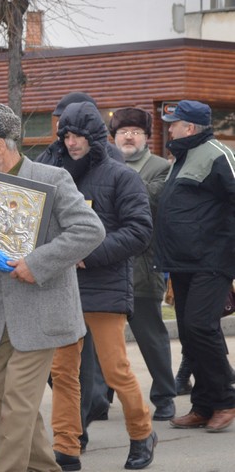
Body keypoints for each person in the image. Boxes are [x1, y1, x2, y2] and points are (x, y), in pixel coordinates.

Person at [0, 103, 105, 472]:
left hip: (43, 315)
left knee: (16, 411)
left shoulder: (53, 178)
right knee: (9, 408)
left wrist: (36, 264)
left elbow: (90, 230)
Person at [48, 101, 156, 471]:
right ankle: (66, 446)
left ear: (95, 136)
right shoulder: (54, 173)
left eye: (78, 135)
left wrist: (87, 254)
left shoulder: (122, 176)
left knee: (115, 371)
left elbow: (139, 231)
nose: (71, 141)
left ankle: (142, 434)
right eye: (66, 135)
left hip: (105, 287)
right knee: (63, 373)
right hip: (62, 287)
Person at [157, 100, 235, 433]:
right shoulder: (183, 156)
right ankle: (204, 405)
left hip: (212, 259)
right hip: (183, 261)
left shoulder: (218, 154)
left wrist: (225, 253)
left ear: (189, 127)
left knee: (201, 326)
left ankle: (226, 399)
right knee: (191, 332)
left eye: (173, 123)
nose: (169, 128)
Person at [107, 107, 176, 421]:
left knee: (151, 336)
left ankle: (165, 396)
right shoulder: (103, 166)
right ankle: (100, 397)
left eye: (135, 131)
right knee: (103, 338)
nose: (129, 136)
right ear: (114, 136)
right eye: (123, 131)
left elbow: (151, 202)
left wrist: (116, 178)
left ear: (147, 137)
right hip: (107, 264)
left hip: (144, 265)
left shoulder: (161, 167)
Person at [35, 92, 124, 166]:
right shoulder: (50, 154)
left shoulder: (110, 155)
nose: (60, 125)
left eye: (66, 120)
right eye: (59, 119)